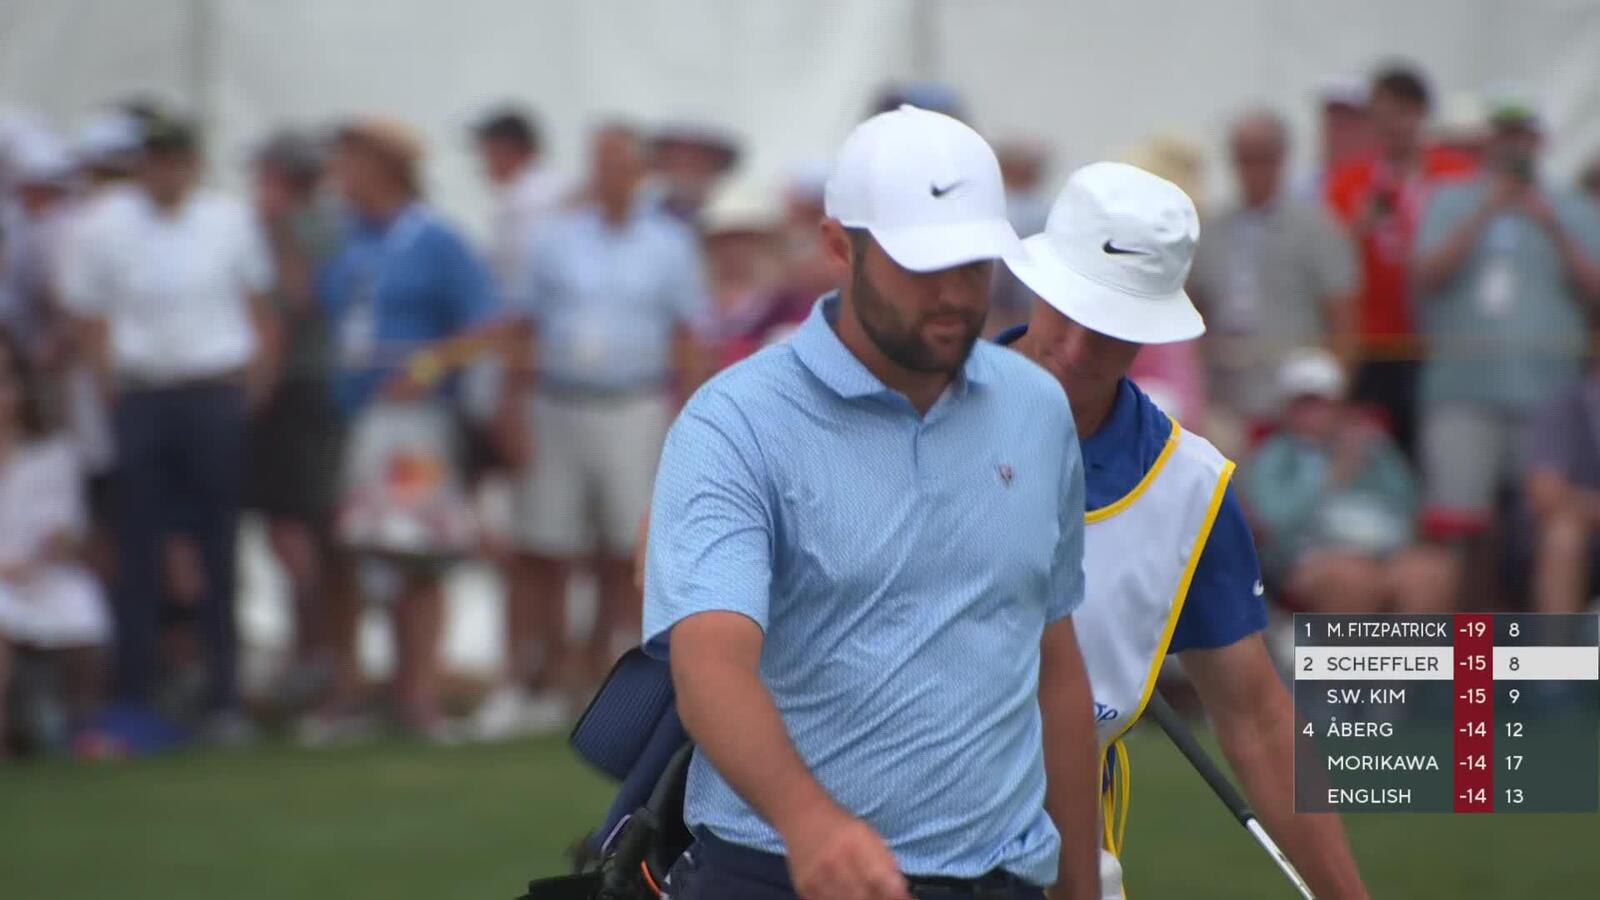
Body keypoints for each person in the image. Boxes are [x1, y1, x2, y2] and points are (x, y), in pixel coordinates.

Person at [646, 104, 1100, 900]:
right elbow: (710, 664)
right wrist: (808, 821)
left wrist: (1081, 886)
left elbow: (1053, 662)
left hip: (1005, 879)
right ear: (836, 248)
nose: (956, 295)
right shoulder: (734, 423)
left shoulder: (1038, 408)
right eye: (923, 265)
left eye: (974, 264)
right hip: (780, 871)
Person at [998, 162, 1367, 899]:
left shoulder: (1188, 488)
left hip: (1057, 865)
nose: (1075, 348)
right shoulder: (916, 413)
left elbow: (1258, 718)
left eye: (1109, 329)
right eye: (1065, 310)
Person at [57, 114, 271, 742]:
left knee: (220, 549)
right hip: (143, 394)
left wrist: (248, 389)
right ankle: (135, 696)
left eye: (176, 159)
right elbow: (89, 320)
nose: (166, 171)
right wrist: (111, 394)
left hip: (212, 392)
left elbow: (258, 308)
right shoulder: (103, 225)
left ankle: (224, 698)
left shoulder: (227, 220)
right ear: (142, 164)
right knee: (139, 549)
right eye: (155, 160)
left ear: (193, 164)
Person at [498, 122, 714, 721]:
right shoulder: (555, 239)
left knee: (624, 548)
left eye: (621, 165)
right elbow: (523, 328)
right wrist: (509, 407)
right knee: (543, 545)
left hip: (634, 403)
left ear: (640, 173)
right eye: (601, 165)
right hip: (558, 400)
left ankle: (600, 674)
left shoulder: (669, 242)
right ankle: (533, 675)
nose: (611, 176)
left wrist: (689, 419)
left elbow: (688, 334)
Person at [313, 117, 502, 740]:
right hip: (349, 416)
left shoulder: (437, 241)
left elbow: (484, 326)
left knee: (417, 551)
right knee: (349, 551)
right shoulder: (344, 241)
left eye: (349, 164)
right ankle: (352, 689)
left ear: (385, 169)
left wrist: (427, 366)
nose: (338, 179)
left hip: (414, 425)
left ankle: (417, 693)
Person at [1412, 99, 1600, 538]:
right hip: (1460, 390)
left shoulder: (1572, 207)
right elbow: (1425, 276)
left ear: (1540, 141)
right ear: (1488, 141)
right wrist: (1486, 210)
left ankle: (1533, 611)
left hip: (1548, 394)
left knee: (1539, 525)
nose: (1514, 146)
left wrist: (1551, 224)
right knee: (1456, 524)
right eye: (1504, 134)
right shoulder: (1450, 199)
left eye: (1524, 135)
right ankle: (1462, 612)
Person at [1325, 64, 1477, 458]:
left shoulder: (1456, 174)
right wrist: (1360, 225)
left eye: (1402, 114)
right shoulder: (1349, 180)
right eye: (1383, 116)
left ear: (1422, 115)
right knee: (1376, 446)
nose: (1393, 126)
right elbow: (1327, 259)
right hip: (1372, 342)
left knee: (1438, 446)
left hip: (1440, 341)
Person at [243, 130, 345, 710]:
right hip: (284, 393)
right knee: (290, 530)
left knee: (301, 530)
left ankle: (315, 655)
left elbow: (298, 297)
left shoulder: (317, 229)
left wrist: (278, 231)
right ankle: (310, 652)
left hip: (301, 391)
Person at [1241, 348, 1457, 616]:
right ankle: (1347, 658)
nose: (1313, 414)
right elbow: (1272, 520)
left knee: (1431, 573)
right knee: (1353, 580)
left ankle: (1412, 658)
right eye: (1304, 404)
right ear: (1287, 409)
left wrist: (1374, 460)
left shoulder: (1372, 444)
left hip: (1387, 549)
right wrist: (1331, 477)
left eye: (1321, 404)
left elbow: (1410, 504)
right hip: (1314, 555)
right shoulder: (1274, 456)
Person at [1189, 110, 1358, 430]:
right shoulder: (1211, 230)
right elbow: (1194, 311)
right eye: (1245, 159)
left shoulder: (1318, 229)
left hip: (1296, 400)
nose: (1254, 170)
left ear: (1282, 159)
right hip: (1225, 396)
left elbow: (1343, 320)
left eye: (1263, 158)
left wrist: (1334, 399)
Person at [0, 329, 108, 757]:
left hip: (40, 575)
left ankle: (84, 728)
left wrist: (48, 552)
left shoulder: (52, 455)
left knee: (84, 603)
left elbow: (65, 531)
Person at [698, 178, 810, 368]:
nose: (734, 250)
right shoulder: (697, 307)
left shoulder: (790, 308)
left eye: (745, 239)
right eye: (725, 240)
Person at [1523, 364, 1600, 615]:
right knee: (1563, 535)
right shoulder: (1567, 404)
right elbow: (1547, 493)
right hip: (1586, 539)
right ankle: (1559, 650)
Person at [472, 106, 569, 293]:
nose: (482, 163)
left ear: (508, 151)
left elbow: (523, 272)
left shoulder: (526, 200)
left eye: (486, 152)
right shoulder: (554, 186)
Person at [649, 121, 739, 224]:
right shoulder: (632, 218)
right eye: (677, 161)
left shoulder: (740, 219)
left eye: (697, 161)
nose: (685, 171)